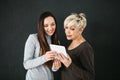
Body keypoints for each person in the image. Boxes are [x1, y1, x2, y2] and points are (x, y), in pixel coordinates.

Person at [55, 12, 95, 80]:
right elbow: (69, 71)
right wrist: (58, 65)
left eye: (72, 29)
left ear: (80, 30)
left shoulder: (85, 48)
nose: (67, 31)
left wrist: (70, 65)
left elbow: (90, 77)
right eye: (66, 28)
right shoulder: (70, 43)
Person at [23, 11, 60, 80]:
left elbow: (52, 68)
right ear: (41, 26)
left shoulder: (56, 41)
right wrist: (44, 58)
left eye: (53, 24)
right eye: (46, 25)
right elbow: (26, 64)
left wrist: (55, 67)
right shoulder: (33, 38)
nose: (50, 28)